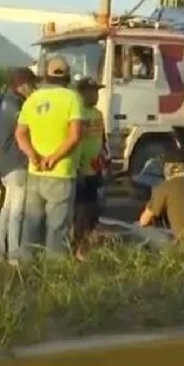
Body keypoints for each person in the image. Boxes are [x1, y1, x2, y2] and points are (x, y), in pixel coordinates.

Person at [15, 56, 83, 261]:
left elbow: (20, 134)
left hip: (35, 172)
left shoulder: (32, 99)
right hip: (61, 172)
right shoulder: (72, 98)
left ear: (46, 75)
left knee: (31, 225)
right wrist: (53, 158)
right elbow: (75, 135)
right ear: (68, 76)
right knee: (57, 228)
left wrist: (33, 155)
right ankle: (54, 275)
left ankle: (25, 270)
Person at [0, 67, 37, 265]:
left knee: (7, 211)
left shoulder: (6, 103)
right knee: (17, 213)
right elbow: (29, 128)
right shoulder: (17, 106)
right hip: (18, 163)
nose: (33, 88)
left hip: (6, 164)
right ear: (21, 84)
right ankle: (14, 256)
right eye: (31, 84)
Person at [73, 77, 108, 261]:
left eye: (97, 91)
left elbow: (102, 139)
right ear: (82, 92)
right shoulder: (77, 113)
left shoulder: (98, 114)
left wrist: (104, 157)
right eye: (92, 91)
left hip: (96, 168)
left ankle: (87, 243)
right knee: (81, 210)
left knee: (94, 208)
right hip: (80, 170)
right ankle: (77, 246)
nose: (95, 95)